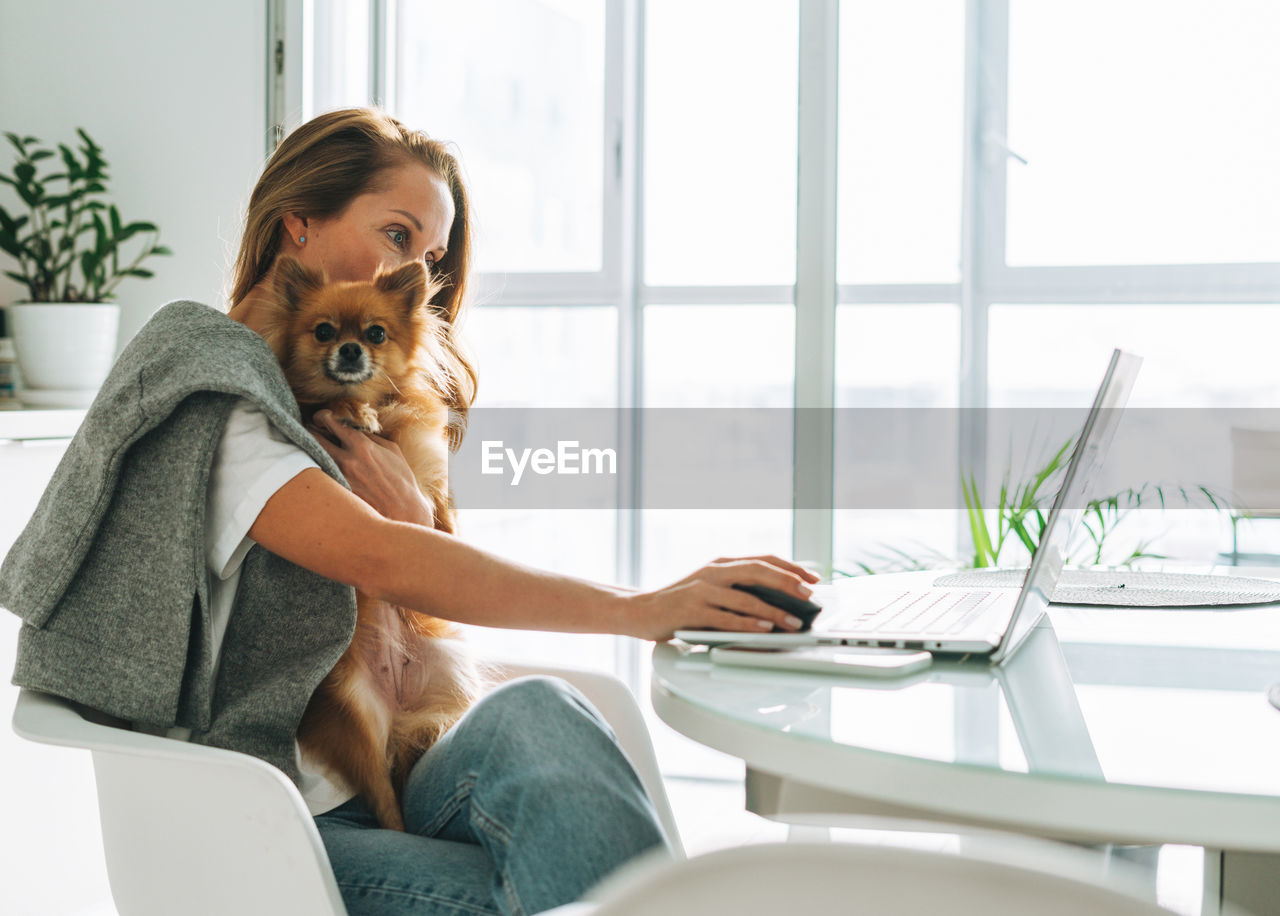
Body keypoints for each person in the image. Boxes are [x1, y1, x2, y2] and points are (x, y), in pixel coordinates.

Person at [0, 108, 818, 916]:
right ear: (299, 228)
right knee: (568, 886)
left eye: (431, 256)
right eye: (397, 235)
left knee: (541, 713)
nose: (416, 273)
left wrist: (421, 517)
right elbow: (386, 560)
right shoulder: (216, 393)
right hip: (271, 823)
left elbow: (417, 589)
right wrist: (645, 609)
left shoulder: (342, 407)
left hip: (390, 765)